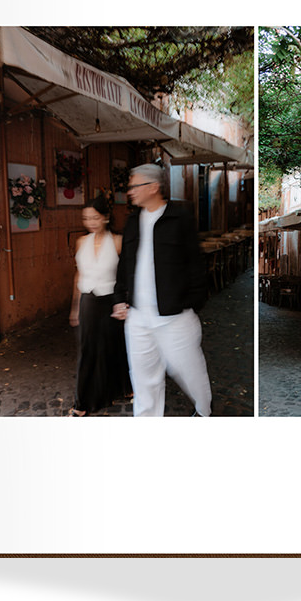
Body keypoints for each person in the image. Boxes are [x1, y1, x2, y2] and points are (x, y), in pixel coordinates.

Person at [111, 164, 214, 417]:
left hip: (175, 316)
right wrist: (119, 299)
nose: (130, 192)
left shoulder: (180, 218)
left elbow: (196, 265)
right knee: (144, 379)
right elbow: (125, 265)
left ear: (153, 187)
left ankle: (204, 411)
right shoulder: (133, 222)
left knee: (189, 372)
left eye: (134, 186)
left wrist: (188, 304)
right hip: (137, 318)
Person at [68, 202, 128, 416]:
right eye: (86, 218)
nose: (90, 222)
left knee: (115, 346)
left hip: (111, 300)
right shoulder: (81, 241)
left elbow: (126, 274)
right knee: (88, 350)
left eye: (95, 217)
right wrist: (75, 307)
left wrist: (125, 301)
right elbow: (79, 274)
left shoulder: (118, 241)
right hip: (88, 301)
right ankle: (82, 402)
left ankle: (124, 387)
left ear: (106, 217)